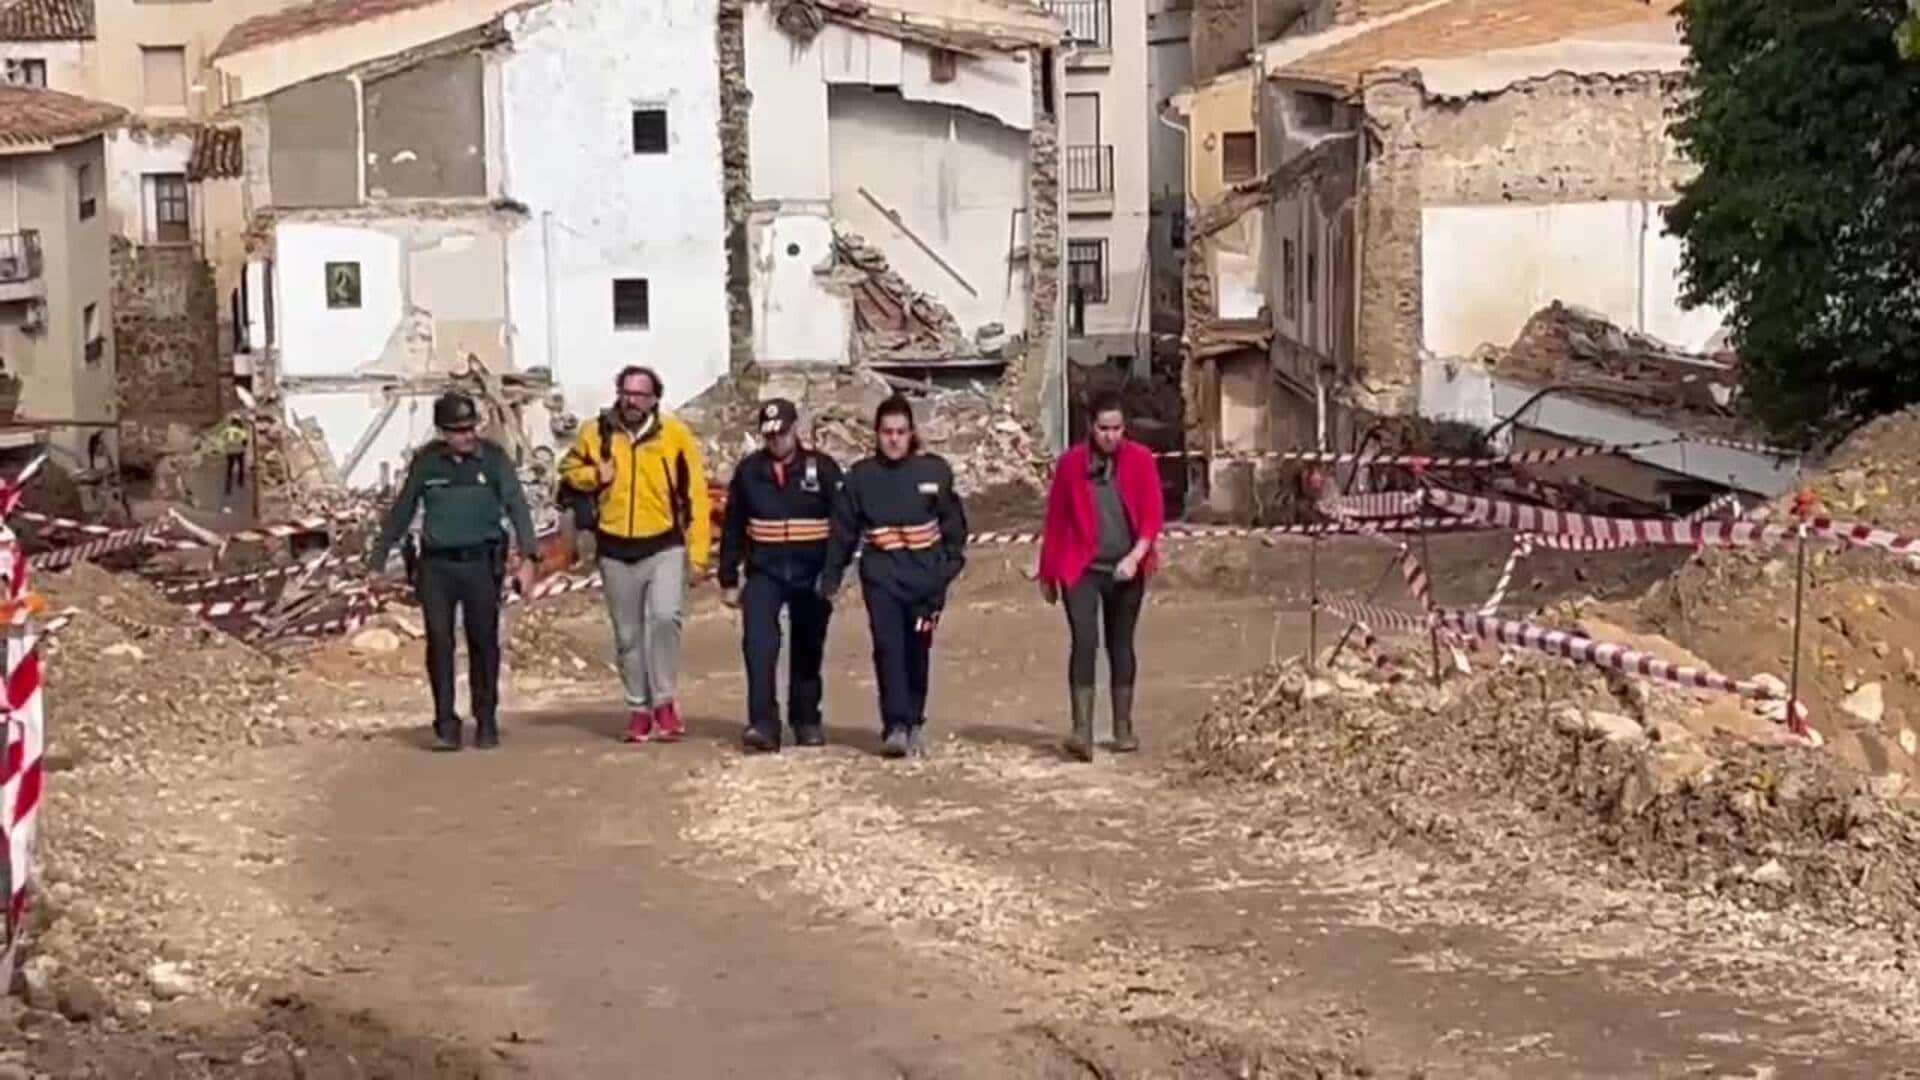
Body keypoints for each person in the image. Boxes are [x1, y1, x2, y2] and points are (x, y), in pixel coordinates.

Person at [366, 392, 538, 751]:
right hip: (437, 567)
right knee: (440, 644)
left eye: (470, 428)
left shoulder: (493, 461)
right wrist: (378, 559)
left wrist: (528, 558)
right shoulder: (428, 464)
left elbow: (517, 507)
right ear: (443, 432)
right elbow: (402, 510)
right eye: (458, 430)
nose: (466, 436)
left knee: (483, 642)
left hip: (480, 563)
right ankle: (445, 723)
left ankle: (486, 717)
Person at [560, 365, 711, 744]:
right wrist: (596, 475)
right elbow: (567, 471)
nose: (632, 400)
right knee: (627, 635)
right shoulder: (596, 433)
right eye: (626, 392)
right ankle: (639, 710)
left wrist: (698, 555)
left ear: (655, 399)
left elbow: (696, 495)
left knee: (665, 618)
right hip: (614, 548)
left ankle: (664, 702)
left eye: (640, 394)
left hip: (663, 544)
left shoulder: (675, 436)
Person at [818, 395, 967, 759]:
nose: (894, 439)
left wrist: (946, 570)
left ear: (911, 434)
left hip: (925, 582)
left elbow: (954, 529)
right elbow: (843, 532)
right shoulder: (861, 478)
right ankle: (895, 725)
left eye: (901, 432)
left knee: (917, 649)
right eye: (887, 432)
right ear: (877, 434)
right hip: (882, 578)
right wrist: (831, 576)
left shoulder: (934, 473)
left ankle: (915, 719)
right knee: (888, 648)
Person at [1036, 390, 1164, 761]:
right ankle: (1082, 731)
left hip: (1128, 567)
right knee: (1085, 642)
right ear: (1091, 427)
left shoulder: (1140, 461)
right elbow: (1056, 520)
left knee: (1120, 644)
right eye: (1103, 428)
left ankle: (1123, 728)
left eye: (1117, 428)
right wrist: (1048, 572)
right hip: (1082, 568)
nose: (1110, 435)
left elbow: (1153, 516)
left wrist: (1136, 556)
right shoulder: (1071, 465)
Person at [717, 398, 843, 753]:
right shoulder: (749, 472)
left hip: (810, 572)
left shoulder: (824, 469)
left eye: (782, 433)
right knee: (759, 646)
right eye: (769, 435)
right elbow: (733, 527)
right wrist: (728, 578)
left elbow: (843, 524)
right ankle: (763, 724)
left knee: (807, 647)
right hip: (765, 571)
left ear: (795, 430)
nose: (776, 441)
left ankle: (805, 720)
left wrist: (833, 574)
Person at [221, 416, 249, 497]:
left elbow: (223, 438)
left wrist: (225, 447)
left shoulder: (227, 429)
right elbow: (245, 441)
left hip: (230, 451)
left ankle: (228, 487)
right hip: (239, 450)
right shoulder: (241, 430)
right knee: (241, 466)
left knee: (229, 468)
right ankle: (240, 482)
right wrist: (244, 447)